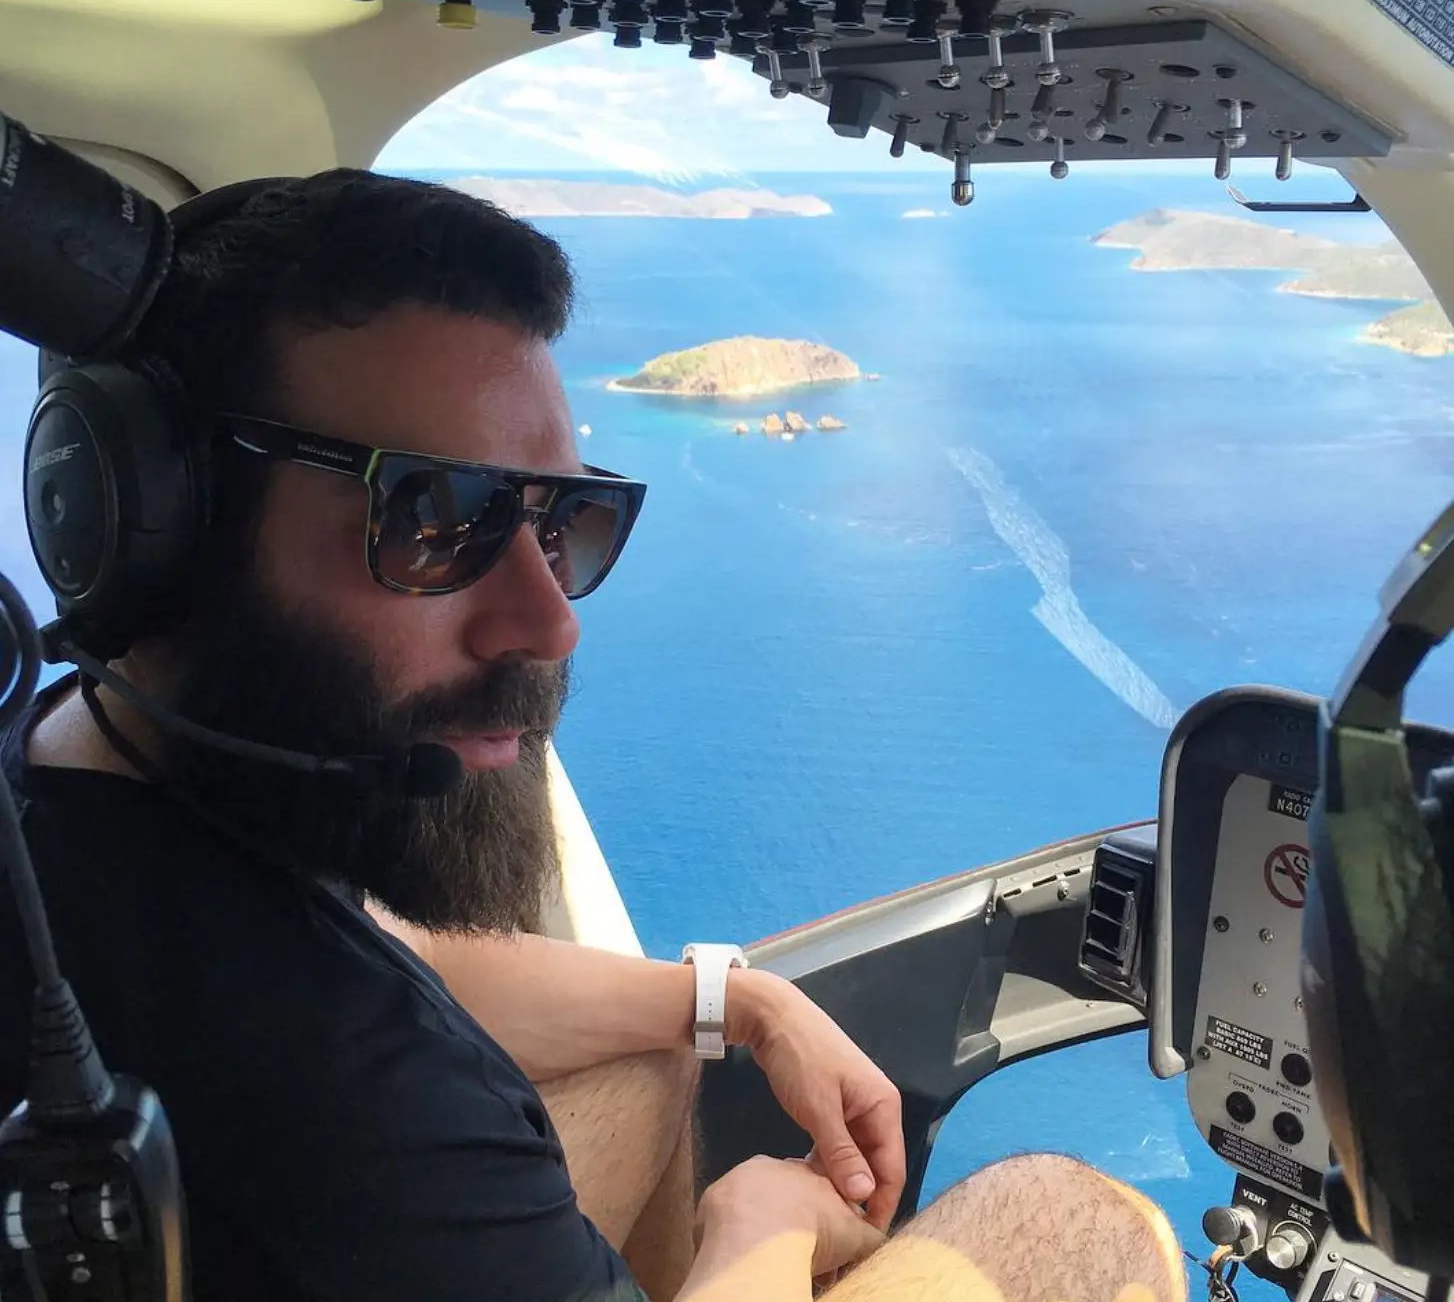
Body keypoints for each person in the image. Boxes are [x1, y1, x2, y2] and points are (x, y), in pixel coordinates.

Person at [0, 170, 1186, 1302]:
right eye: (437, 517)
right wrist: (758, 1224)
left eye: (566, 518)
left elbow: (403, 956)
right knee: (1074, 1220)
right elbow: (371, 1047)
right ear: (162, 527)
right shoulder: (350, 1103)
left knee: (659, 1046)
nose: (550, 621)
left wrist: (735, 1002)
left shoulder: (66, 774)